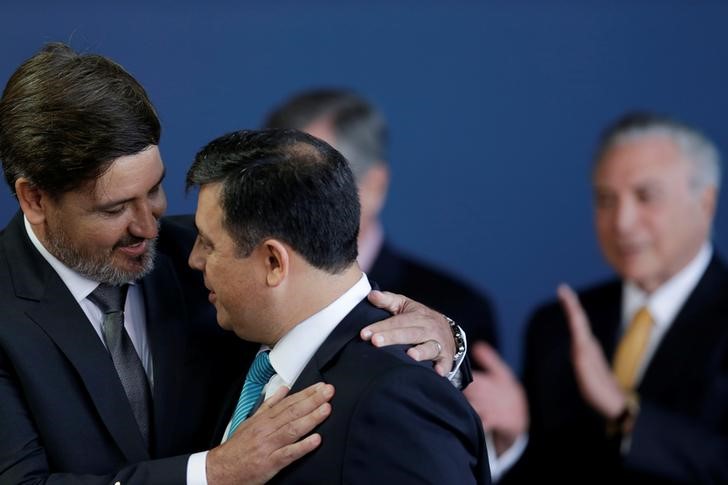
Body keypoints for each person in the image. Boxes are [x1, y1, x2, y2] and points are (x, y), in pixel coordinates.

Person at [0, 43, 467, 484]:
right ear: (35, 198)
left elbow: (325, 308)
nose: (148, 227)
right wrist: (212, 473)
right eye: (114, 208)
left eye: (155, 190)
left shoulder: (208, 252)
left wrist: (443, 344)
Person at [186, 128, 491, 484]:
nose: (193, 259)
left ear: (273, 263)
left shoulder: (395, 401)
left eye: (208, 244)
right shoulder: (249, 355)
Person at [502, 112, 728, 483]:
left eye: (646, 196)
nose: (621, 222)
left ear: (705, 203)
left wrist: (623, 412)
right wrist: (511, 441)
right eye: (605, 199)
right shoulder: (557, 325)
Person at [264, 89, 498, 349]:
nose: (283, 205)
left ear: (374, 186)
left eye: (311, 184)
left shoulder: (454, 313)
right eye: (270, 184)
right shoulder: (220, 303)